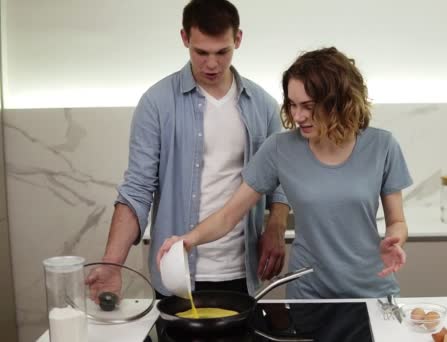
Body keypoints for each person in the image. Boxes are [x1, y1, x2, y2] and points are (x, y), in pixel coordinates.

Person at [158, 47, 413, 299]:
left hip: (373, 290)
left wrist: (395, 240)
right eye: (292, 105)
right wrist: (188, 241)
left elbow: (396, 222)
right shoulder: (280, 149)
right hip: (310, 293)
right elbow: (228, 215)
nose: (297, 116)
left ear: (338, 101)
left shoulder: (382, 146)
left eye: (308, 106)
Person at [87, 0, 289, 302]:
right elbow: (137, 189)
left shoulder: (263, 105)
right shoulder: (156, 103)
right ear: (185, 39)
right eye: (201, 52)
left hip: (242, 274)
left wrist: (275, 226)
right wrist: (112, 264)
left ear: (238, 39)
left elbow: (279, 181)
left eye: (222, 52)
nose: (211, 64)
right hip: (175, 273)